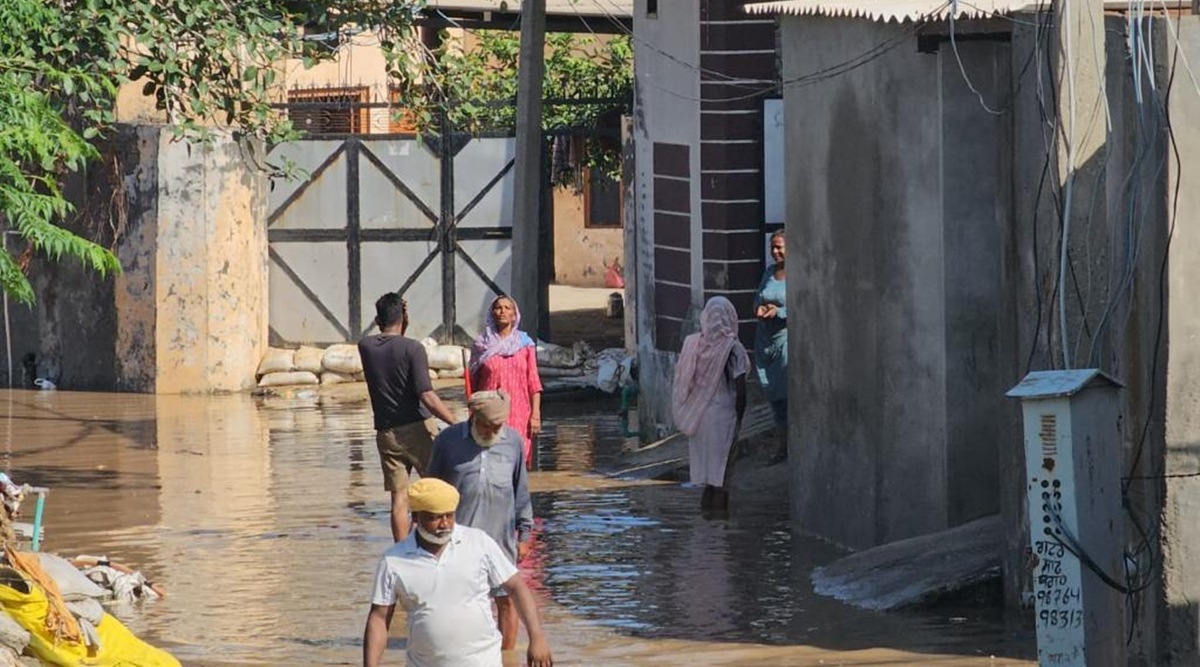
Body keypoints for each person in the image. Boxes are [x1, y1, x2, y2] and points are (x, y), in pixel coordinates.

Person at [362, 478, 553, 667]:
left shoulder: (478, 543)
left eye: (449, 515)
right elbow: (379, 618)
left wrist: (536, 637)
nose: (444, 524)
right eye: (436, 517)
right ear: (416, 517)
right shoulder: (394, 560)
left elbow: (516, 587)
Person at [427, 390, 533, 652]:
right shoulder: (447, 442)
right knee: (459, 605)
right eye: (486, 425)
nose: (492, 431)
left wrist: (526, 534)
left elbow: (521, 490)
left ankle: (505, 657)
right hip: (456, 542)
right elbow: (431, 491)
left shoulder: (513, 442)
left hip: (501, 540)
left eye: (498, 426)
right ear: (473, 417)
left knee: (507, 602)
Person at [359, 292, 458, 542]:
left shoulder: (365, 346)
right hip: (417, 428)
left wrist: (401, 321)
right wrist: (455, 423)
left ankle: (400, 549)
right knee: (438, 487)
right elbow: (427, 395)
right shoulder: (414, 349)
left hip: (386, 432)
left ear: (377, 319)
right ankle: (439, 540)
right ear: (403, 317)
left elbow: (391, 345)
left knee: (399, 498)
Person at [671, 296, 749, 511]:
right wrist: (739, 422)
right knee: (721, 481)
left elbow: (684, 381)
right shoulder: (733, 348)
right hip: (723, 419)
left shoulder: (693, 344)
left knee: (707, 482)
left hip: (699, 420)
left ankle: (704, 534)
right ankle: (719, 534)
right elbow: (741, 390)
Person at [469, 295, 543, 468]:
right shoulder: (481, 345)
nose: (502, 311)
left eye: (507, 308)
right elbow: (473, 384)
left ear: (514, 315)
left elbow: (534, 382)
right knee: (490, 461)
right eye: (498, 308)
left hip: (519, 414)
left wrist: (536, 415)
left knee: (517, 461)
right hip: (489, 414)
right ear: (492, 313)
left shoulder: (525, 345)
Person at [754, 230, 789, 466]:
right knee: (774, 397)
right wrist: (760, 308)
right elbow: (758, 298)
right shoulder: (768, 273)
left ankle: (786, 446)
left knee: (787, 395)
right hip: (765, 340)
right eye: (772, 248)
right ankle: (781, 446)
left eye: (779, 247)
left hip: (785, 340)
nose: (775, 252)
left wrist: (780, 312)